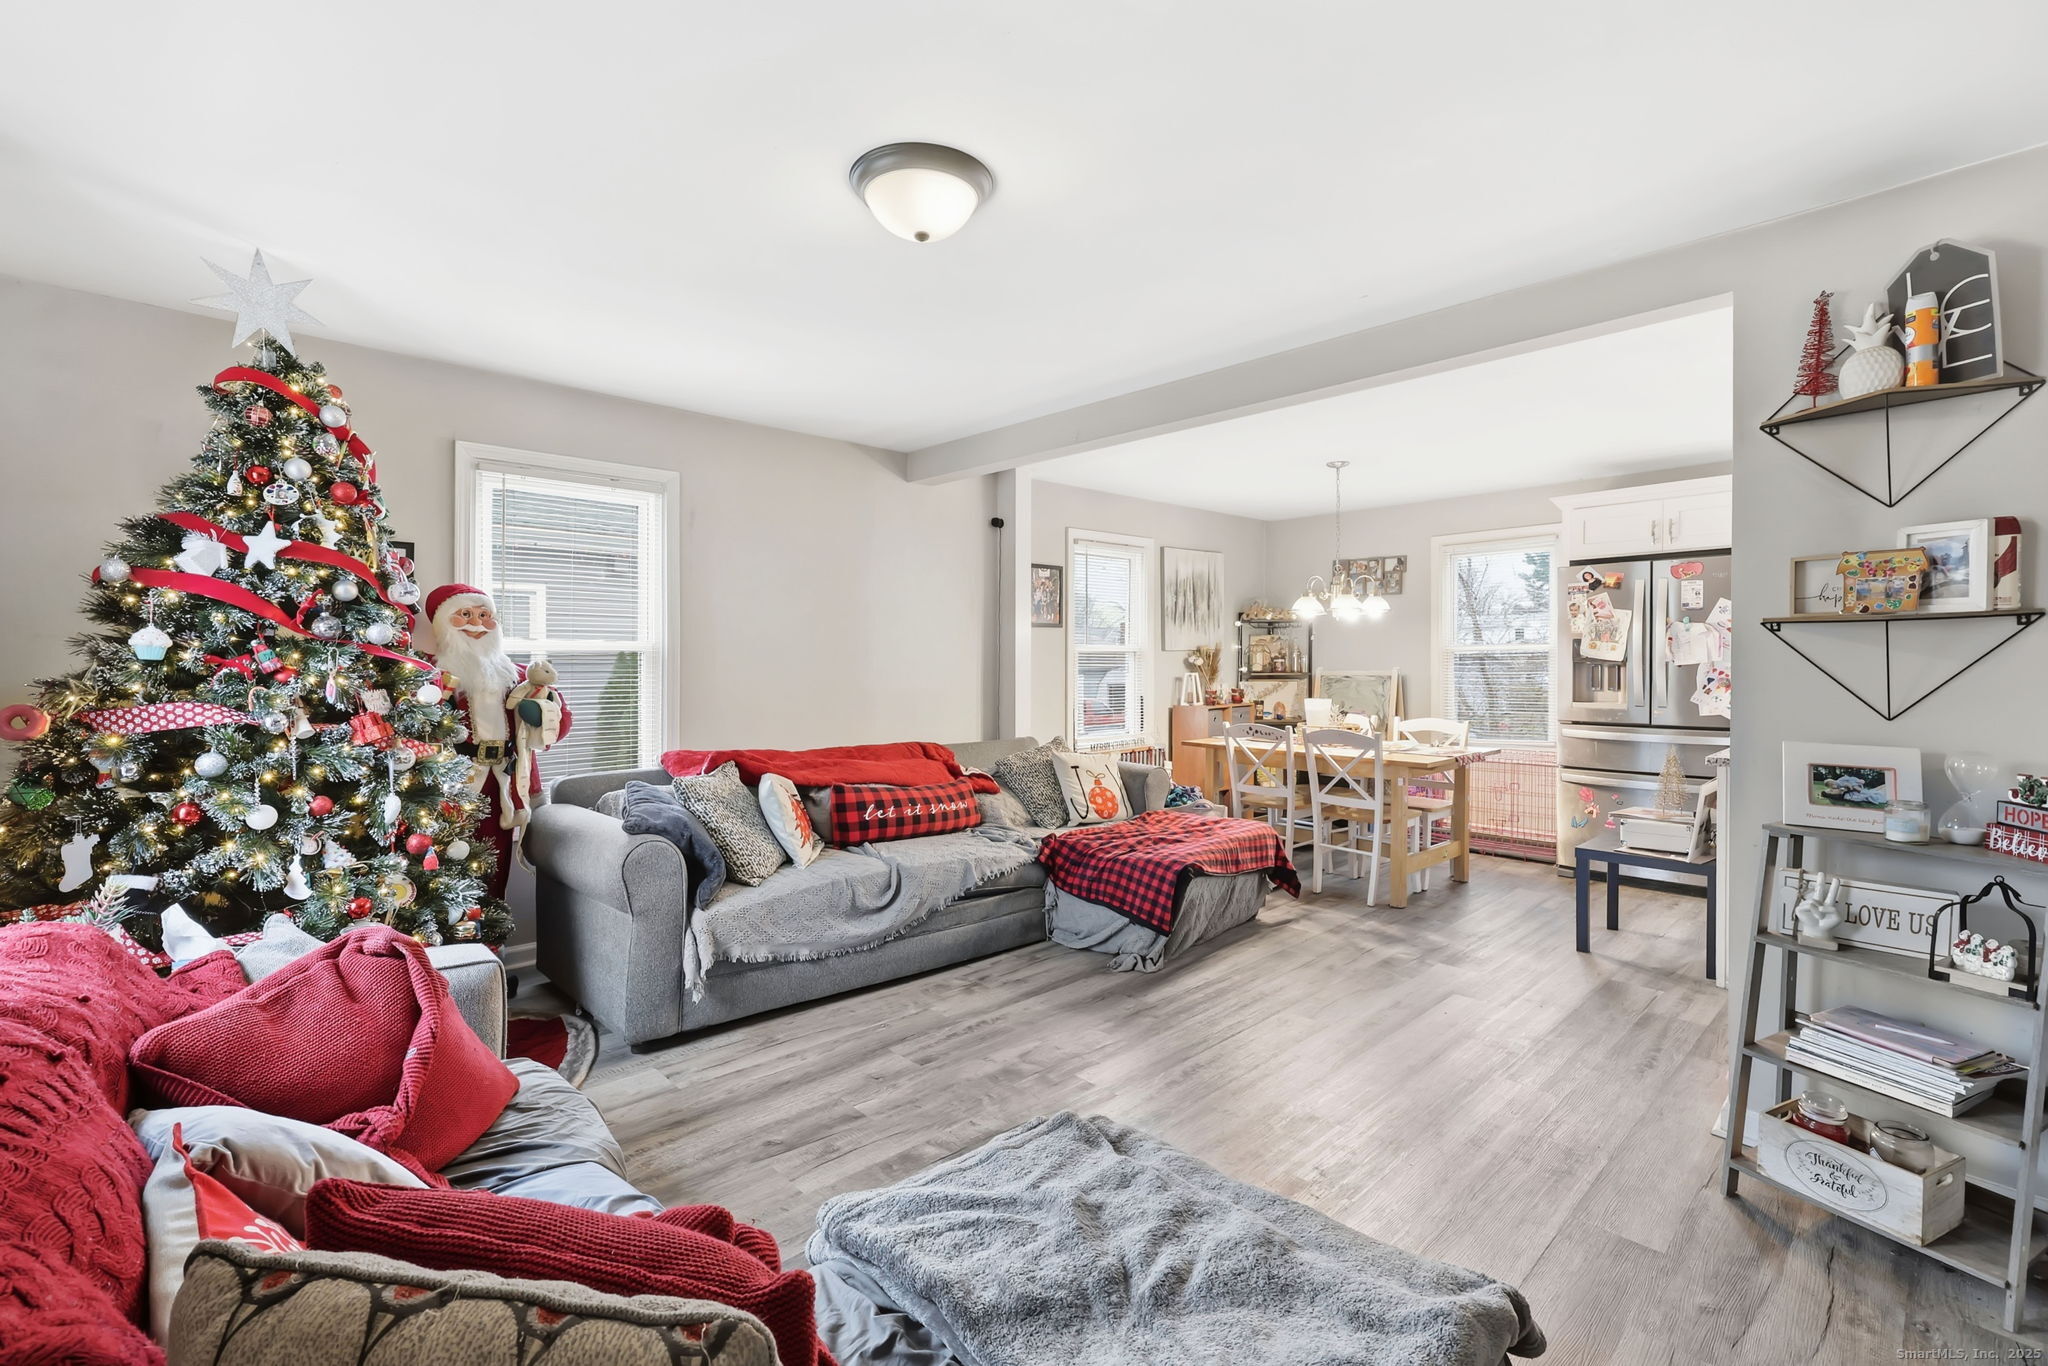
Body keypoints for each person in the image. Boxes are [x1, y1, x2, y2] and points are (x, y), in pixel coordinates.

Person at [423, 584, 573, 897]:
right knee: (444, 866)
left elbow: (559, 724)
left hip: (503, 780)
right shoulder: (430, 676)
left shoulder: (517, 676)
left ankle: (492, 942)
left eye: (484, 615)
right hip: (452, 784)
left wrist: (543, 712)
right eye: (464, 615)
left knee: (494, 865)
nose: (476, 623)